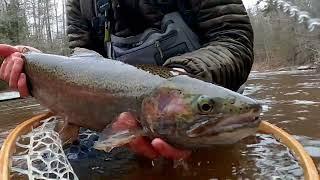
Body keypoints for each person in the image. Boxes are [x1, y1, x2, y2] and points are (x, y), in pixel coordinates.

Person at [0, 0, 254, 160]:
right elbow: (82, 59)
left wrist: (182, 76)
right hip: (126, 121)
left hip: (200, 99)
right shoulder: (81, 3)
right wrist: (31, 60)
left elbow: (233, 38)